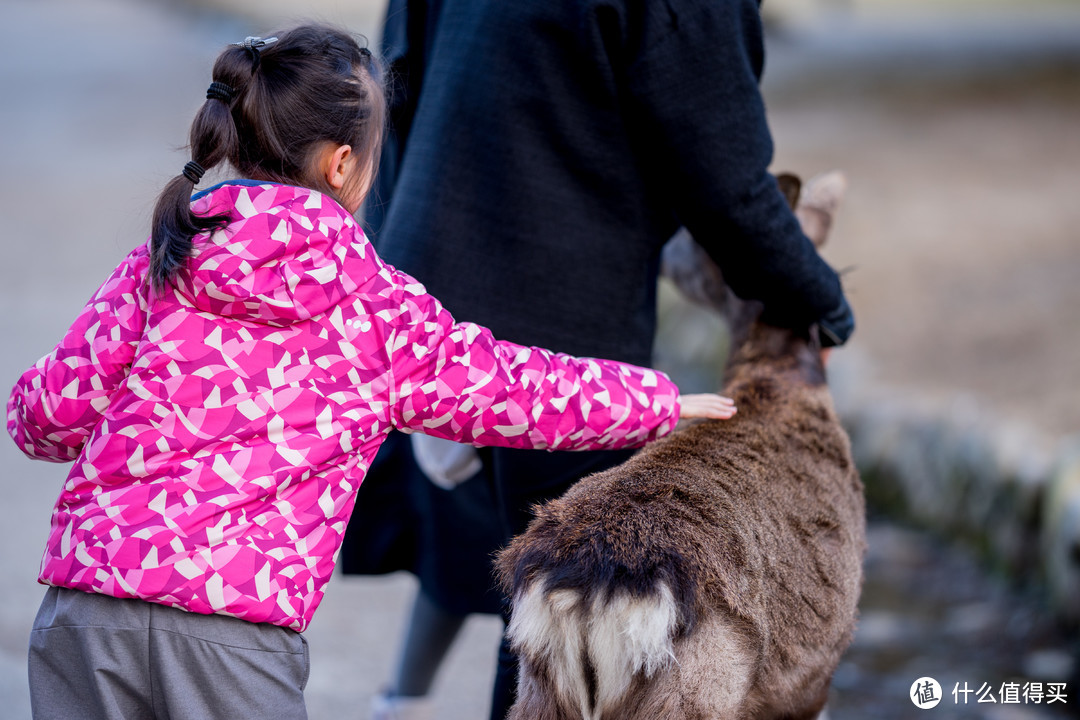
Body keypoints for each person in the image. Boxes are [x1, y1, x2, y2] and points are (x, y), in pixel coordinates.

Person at [5, 23, 737, 720]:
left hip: (84, 612)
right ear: (342, 163)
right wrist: (660, 401)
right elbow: (515, 388)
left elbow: (45, 419)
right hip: (227, 635)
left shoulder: (162, 261)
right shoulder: (374, 308)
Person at [347, 1, 857, 719]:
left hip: (417, 295)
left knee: (521, 580)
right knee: (566, 605)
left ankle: (397, 701)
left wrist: (385, 277)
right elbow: (729, 183)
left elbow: (394, 74)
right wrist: (821, 299)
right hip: (558, 328)